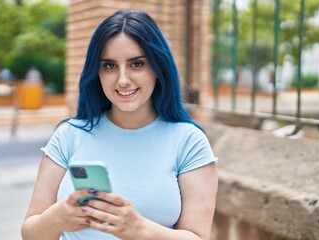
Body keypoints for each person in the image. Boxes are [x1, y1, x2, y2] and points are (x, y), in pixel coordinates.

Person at [21, 9, 218, 240]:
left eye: (136, 64)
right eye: (109, 66)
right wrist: (57, 218)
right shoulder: (69, 135)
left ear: (158, 67)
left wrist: (140, 230)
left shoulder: (188, 141)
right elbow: (30, 233)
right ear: (97, 72)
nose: (123, 80)